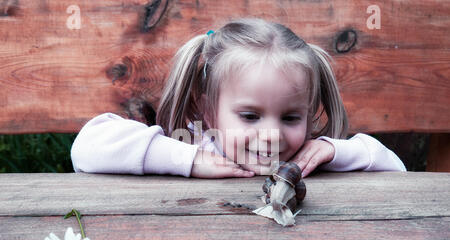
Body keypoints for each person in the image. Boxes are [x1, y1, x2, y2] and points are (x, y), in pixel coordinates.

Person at [71, 18, 406, 178]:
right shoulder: (196, 146)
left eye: (290, 117)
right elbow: (86, 148)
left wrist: (336, 149)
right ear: (210, 113)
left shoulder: (308, 157)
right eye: (250, 116)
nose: (272, 134)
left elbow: (398, 172)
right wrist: (189, 161)